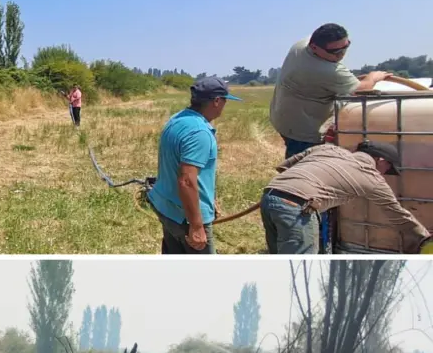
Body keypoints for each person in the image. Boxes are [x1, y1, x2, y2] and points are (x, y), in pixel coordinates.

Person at [269, 23, 393, 252]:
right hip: (303, 131)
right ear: (315, 47)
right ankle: (313, 242)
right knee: (308, 191)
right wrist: (375, 76)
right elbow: (361, 89)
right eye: (335, 51)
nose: (341, 54)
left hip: (285, 118)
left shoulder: (300, 46)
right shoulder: (324, 70)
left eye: (346, 47)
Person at [259, 141, 429, 254]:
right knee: (300, 265)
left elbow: (285, 166)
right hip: (298, 207)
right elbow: (396, 214)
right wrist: (424, 238)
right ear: (381, 160)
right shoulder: (371, 176)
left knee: (280, 260)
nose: (385, 173)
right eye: (388, 169)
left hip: (270, 195)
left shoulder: (327, 149)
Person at [146, 77, 240, 254]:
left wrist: (209, 201)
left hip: (167, 208)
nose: (224, 106)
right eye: (225, 100)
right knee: (204, 270)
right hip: (186, 218)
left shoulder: (178, 119)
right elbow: (187, 181)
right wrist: (196, 226)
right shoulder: (199, 133)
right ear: (216, 101)